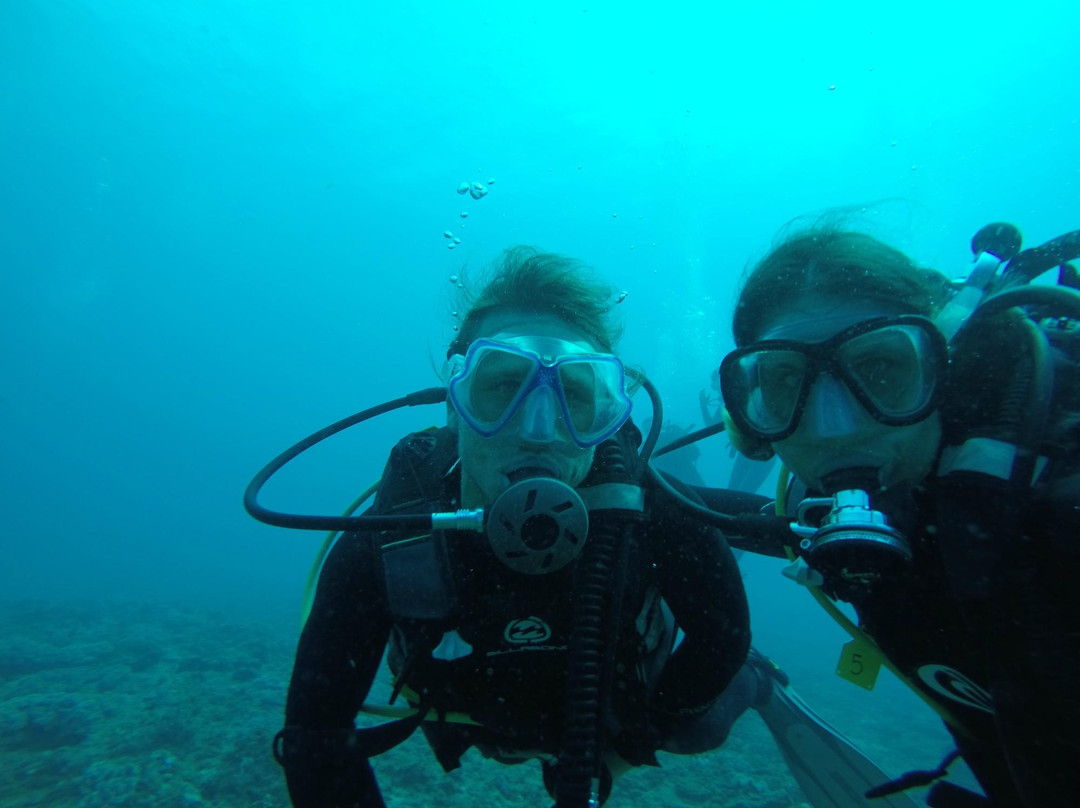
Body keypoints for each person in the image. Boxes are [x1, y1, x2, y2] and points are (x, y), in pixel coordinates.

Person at [271, 247, 754, 808]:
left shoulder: (645, 507)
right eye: (503, 386)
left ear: (607, 414)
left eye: (574, 393)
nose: (540, 430)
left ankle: (761, 684)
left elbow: (725, 638)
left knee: (700, 731)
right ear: (455, 403)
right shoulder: (399, 526)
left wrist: (631, 740)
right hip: (476, 718)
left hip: (612, 712)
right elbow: (315, 735)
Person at [716, 223, 1080, 808]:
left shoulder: (1060, 494)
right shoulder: (831, 513)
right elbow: (760, 520)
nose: (836, 426)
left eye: (881, 365)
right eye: (786, 379)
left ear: (944, 367)